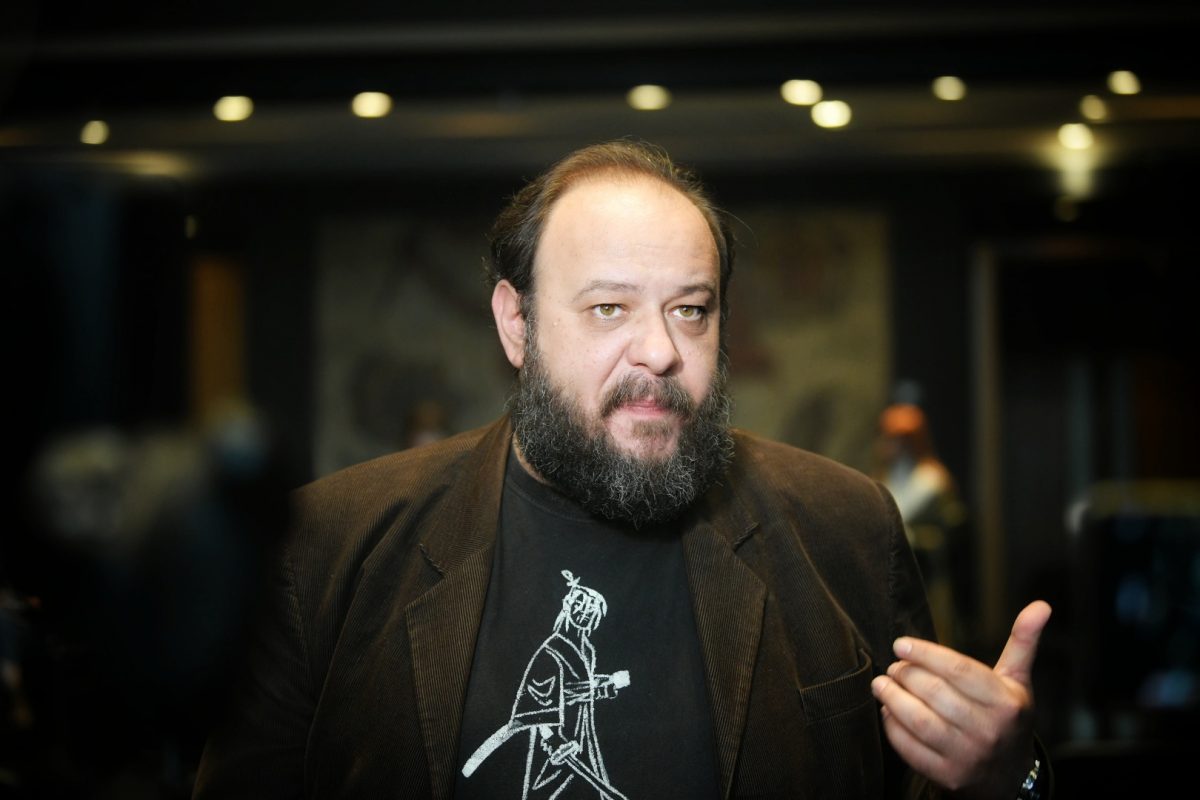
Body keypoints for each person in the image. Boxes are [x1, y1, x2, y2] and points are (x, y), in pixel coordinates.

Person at [193, 140, 1052, 799]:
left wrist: (1009, 778)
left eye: (691, 310)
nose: (661, 350)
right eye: (609, 308)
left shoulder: (843, 528)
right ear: (517, 324)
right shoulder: (329, 550)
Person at [873, 402, 973, 651]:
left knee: (933, 632)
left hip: (927, 573)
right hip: (897, 572)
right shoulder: (888, 474)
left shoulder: (931, 478)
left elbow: (895, 514)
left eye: (896, 438)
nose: (888, 444)